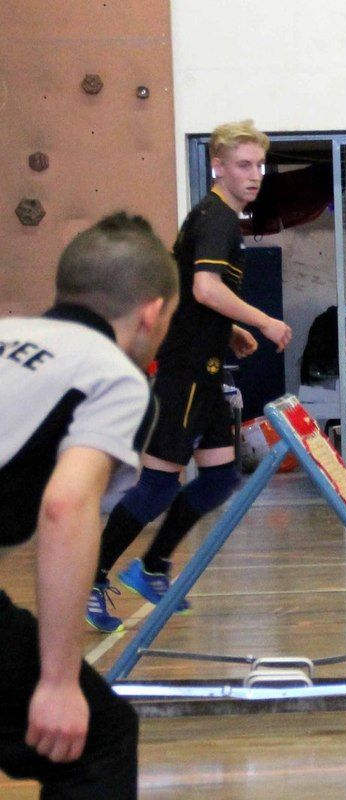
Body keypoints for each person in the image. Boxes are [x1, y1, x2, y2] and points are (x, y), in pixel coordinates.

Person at [87, 120, 293, 633]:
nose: (255, 174)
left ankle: (152, 566)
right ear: (217, 167)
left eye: (260, 165)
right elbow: (204, 288)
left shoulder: (214, 219)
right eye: (243, 165)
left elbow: (185, 292)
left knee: (220, 478)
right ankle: (91, 579)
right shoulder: (217, 219)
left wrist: (228, 331)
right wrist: (262, 321)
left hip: (207, 370)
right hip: (183, 375)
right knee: (157, 486)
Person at [0, 213, 178, 798]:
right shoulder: (113, 376)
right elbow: (66, 505)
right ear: (152, 313)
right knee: (96, 739)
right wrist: (57, 682)